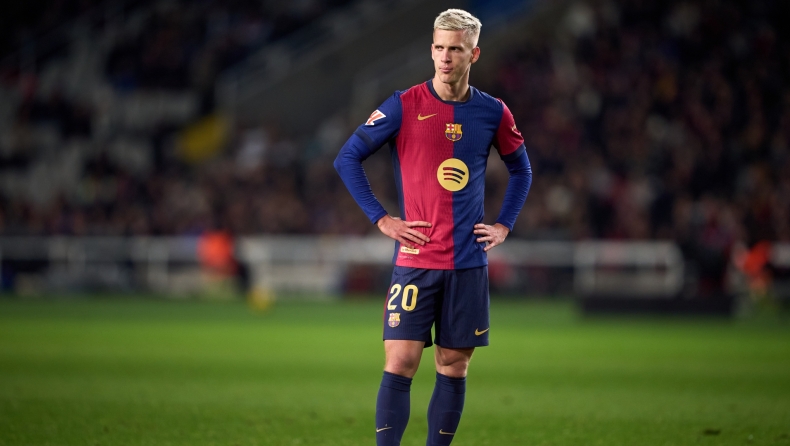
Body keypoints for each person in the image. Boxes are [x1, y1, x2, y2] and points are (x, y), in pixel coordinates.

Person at [334, 9, 532, 446]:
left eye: (455, 49)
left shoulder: (493, 112)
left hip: (467, 263)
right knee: (400, 361)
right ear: (431, 50)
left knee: (453, 366)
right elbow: (346, 157)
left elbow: (522, 170)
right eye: (439, 48)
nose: (445, 57)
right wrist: (382, 218)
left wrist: (504, 225)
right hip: (415, 259)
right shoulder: (403, 105)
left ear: (473, 54)